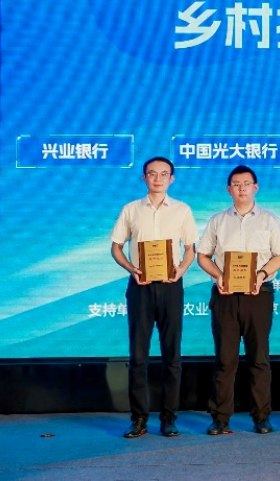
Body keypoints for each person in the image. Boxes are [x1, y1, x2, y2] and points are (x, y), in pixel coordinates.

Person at [109, 156, 198, 439]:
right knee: (138, 356)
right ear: (144, 178)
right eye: (152, 173)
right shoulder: (131, 209)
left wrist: (181, 269)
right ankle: (138, 419)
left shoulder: (182, 210)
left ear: (172, 179)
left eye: (163, 174)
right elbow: (116, 247)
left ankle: (169, 419)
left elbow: (191, 248)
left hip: (171, 287)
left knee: (172, 355)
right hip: (141, 286)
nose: (157, 179)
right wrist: (132, 268)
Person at [196, 165, 280, 435]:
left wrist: (261, 274)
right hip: (225, 296)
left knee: (259, 358)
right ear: (229, 189)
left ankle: (261, 417)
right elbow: (203, 256)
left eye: (246, 183)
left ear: (255, 188)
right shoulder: (217, 220)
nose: (241, 188)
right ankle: (220, 418)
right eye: (236, 184)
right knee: (225, 360)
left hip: (258, 295)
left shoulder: (269, 220)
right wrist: (219, 275)